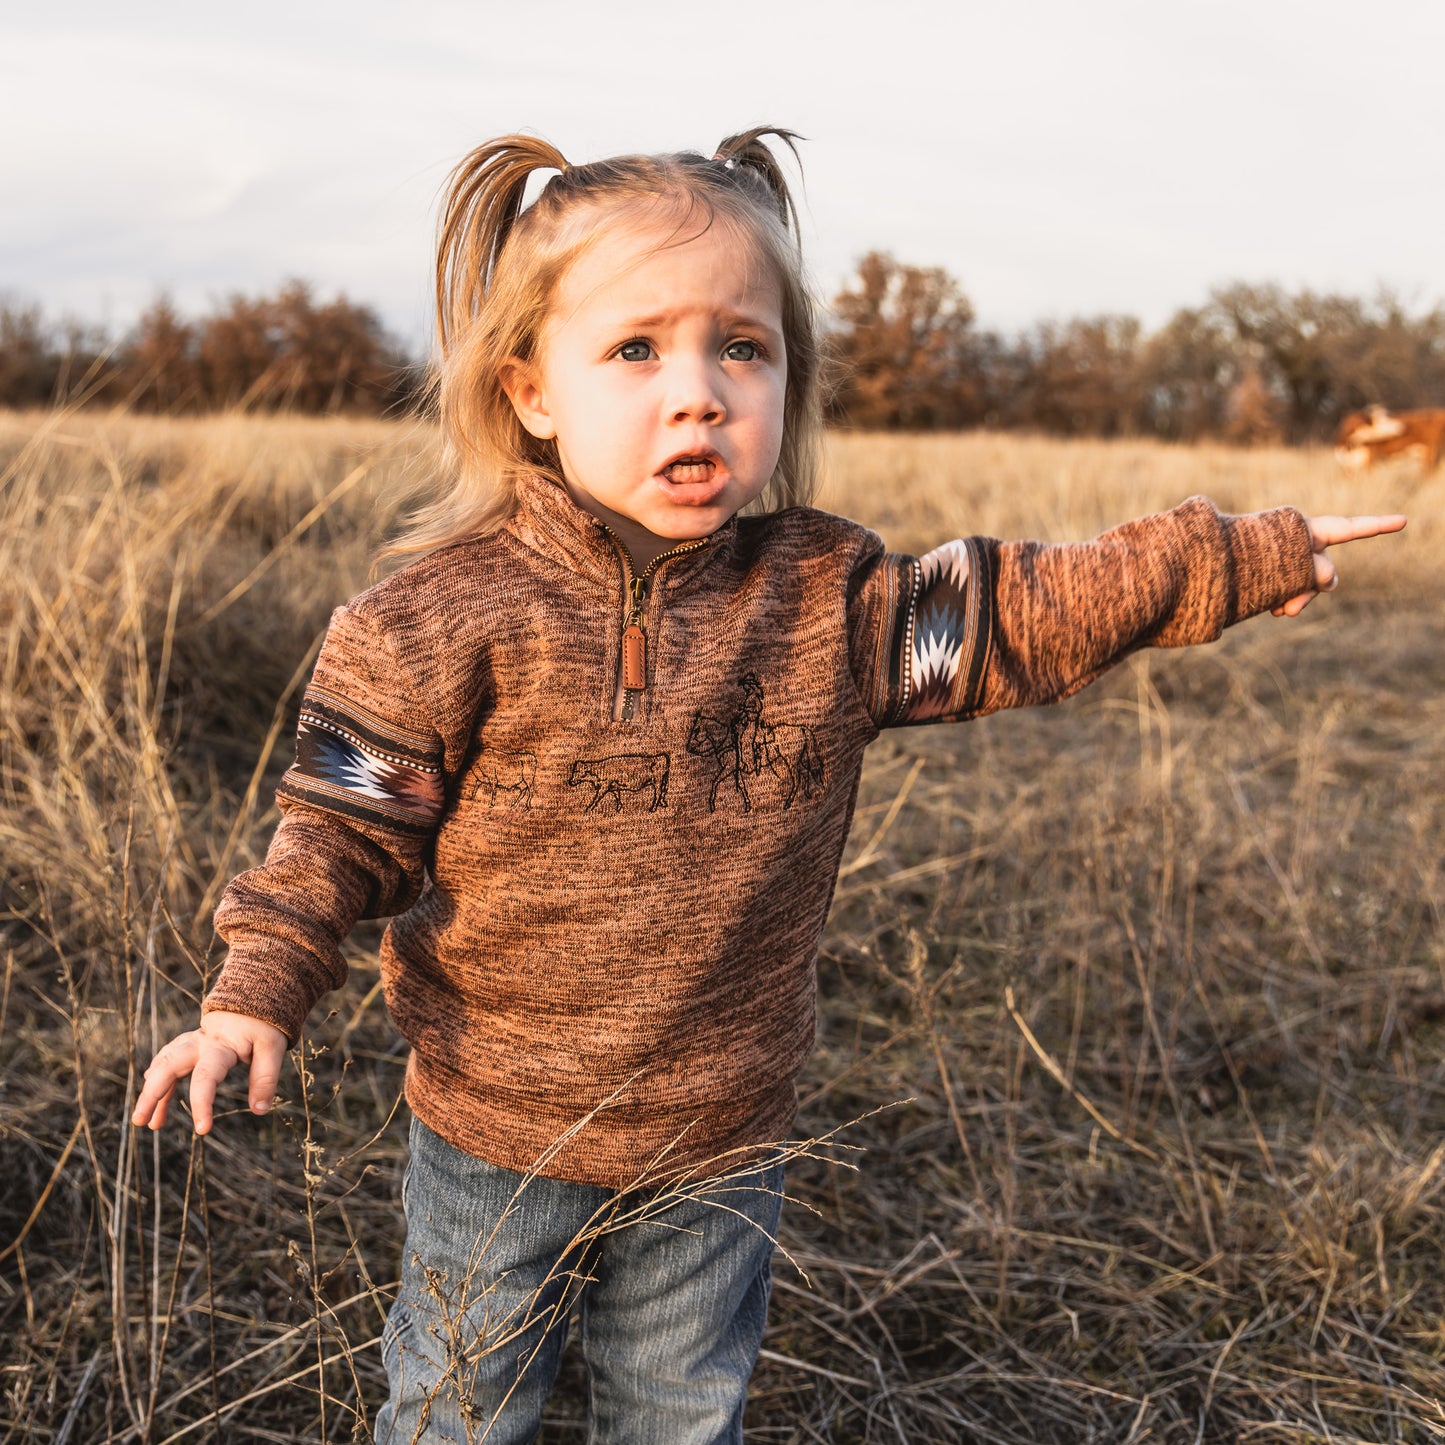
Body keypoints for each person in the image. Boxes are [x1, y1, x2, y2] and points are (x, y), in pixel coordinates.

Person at [130, 128, 1406, 1443]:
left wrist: (1228, 556)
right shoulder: (430, 622)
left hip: (721, 1131)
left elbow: (1018, 609)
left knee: (682, 1411)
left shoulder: (827, 605)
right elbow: (338, 838)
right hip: (495, 1127)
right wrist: (254, 994)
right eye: (635, 350)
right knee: (459, 1406)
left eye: (741, 347)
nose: (698, 393)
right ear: (531, 389)